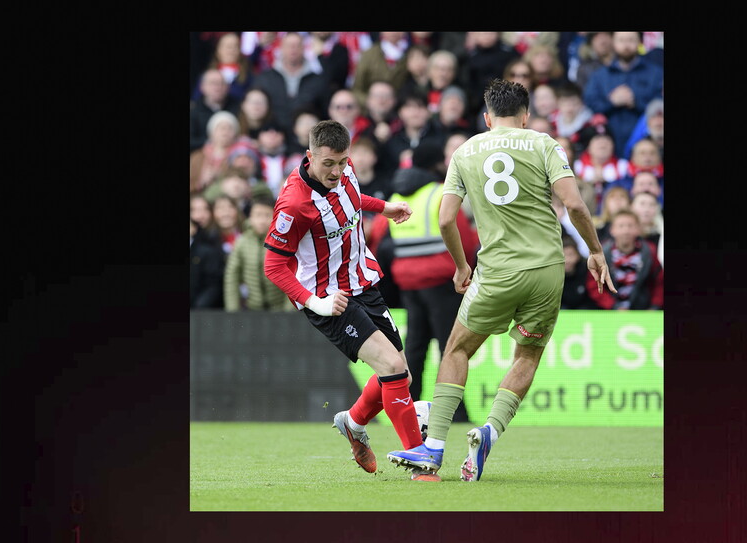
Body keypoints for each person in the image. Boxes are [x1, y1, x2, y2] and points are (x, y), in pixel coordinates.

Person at [387, 78, 616, 482]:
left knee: (456, 349)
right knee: (527, 355)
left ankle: (434, 447)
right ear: (525, 115)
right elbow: (575, 204)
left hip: (496, 271)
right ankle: (490, 430)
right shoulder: (544, 143)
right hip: (547, 271)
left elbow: (444, 219)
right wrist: (596, 251)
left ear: (487, 117)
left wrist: (461, 266)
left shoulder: (465, 150)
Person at [262, 119, 423, 475]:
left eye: (342, 162)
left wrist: (383, 207)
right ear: (309, 157)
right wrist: (313, 301)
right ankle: (420, 461)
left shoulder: (345, 171)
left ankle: (352, 422)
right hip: (328, 297)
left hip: (362, 280)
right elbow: (273, 266)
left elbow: (349, 199)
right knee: (393, 368)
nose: (336, 171)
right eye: (328, 164)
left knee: (402, 378)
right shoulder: (294, 204)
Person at [387, 140, 478, 423]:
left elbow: (380, 237)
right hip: (441, 282)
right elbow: (463, 235)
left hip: (408, 283)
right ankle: (455, 412)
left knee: (415, 347)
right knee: (450, 348)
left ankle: (408, 408)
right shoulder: (440, 193)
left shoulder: (397, 196)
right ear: (438, 163)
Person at [583, 31, 663, 158]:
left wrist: (635, 102)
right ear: (613, 43)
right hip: (609, 144)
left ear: (640, 42)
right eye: (621, 40)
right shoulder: (600, 75)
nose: (626, 45)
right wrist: (611, 102)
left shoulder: (656, 73)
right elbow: (590, 103)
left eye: (631, 40)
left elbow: (660, 104)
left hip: (646, 145)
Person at [585, 209, 663, 311]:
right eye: (621, 226)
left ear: (638, 229)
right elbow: (594, 284)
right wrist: (613, 306)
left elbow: (659, 282)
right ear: (612, 230)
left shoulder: (649, 251)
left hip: (642, 311)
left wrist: (654, 306)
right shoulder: (602, 253)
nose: (626, 231)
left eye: (630, 226)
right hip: (609, 312)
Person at [224, 196, 291, 312]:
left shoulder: (285, 241)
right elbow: (232, 277)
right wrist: (233, 312)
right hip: (252, 309)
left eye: (267, 215)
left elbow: (294, 276)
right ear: (250, 217)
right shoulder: (242, 242)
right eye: (258, 215)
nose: (262, 220)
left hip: (280, 310)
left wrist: (289, 311)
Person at [251, 32, 328, 130]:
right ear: (281, 48)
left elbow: (325, 113)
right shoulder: (265, 78)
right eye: (289, 45)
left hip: (308, 137)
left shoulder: (318, 80)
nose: (293, 49)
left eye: (297, 45)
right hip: (272, 135)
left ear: (304, 48)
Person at [189, 69, 240, 154]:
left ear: (228, 87)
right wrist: (213, 142)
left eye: (222, 83)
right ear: (202, 87)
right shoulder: (193, 110)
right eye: (213, 83)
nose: (218, 87)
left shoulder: (237, 108)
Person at [190, 218, 226, 309]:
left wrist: (199, 306)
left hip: (199, 310)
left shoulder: (207, 252)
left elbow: (214, 285)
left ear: (194, 229)